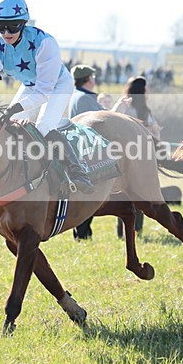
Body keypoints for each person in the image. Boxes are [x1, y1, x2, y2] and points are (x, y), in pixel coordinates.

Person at [0, 0, 94, 193]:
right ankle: (12, 172)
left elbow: (44, 92)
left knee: (43, 126)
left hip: (57, 86)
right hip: (31, 85)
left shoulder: (45, 43)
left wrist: (16, 107)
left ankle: (77, 172)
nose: (6, 33)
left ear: (23, 23)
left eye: (12, 26)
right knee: (8, 126)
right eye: (0, 26)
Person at [111, 76, 163, 238]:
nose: (149, 91)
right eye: (147, 88)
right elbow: (110, 119)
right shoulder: (126, 106)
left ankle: (134, 230)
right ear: (141, 90)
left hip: (141, 156)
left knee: (137, 193)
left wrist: (154, 129)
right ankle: (127, 231)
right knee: (130, 193)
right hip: (130, 157)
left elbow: (154, 137)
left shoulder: (145, 110)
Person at [67, 64, 106, 239]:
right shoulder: (86, 98)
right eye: (93, 77)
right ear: (89, 79)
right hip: (89, 151)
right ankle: (82, 234)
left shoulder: (75, 96)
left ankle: (83, 233)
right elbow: (106, 120)